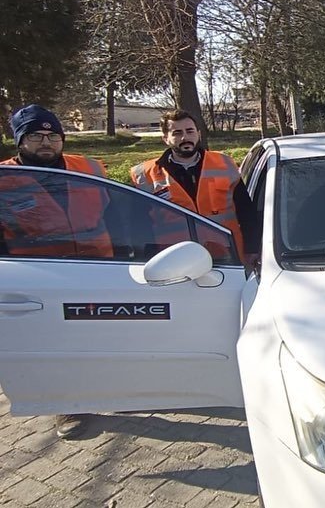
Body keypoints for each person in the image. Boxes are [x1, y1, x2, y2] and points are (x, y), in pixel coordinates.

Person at [0, 104, 110, 441]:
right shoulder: (4, 180)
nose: (46, 142)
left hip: (100, 268)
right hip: (43, 278)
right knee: (56, 343)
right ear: (20, 141)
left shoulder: (90, 168)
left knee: (104, 335)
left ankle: (116, 389)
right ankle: (68, 404)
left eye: (53, 136)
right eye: (36, 136)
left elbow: (117, 211)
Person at [130, 110, 259, 264]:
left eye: (189, 131)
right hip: (174, 261)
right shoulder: (145, 174)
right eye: (177, 133)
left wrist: (252, 248)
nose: (185, 138)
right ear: (165, 138)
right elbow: (139, 225)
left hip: (226, 255)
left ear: (198, 134)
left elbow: (246, 212)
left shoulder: (224, 164)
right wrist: (146, 258)